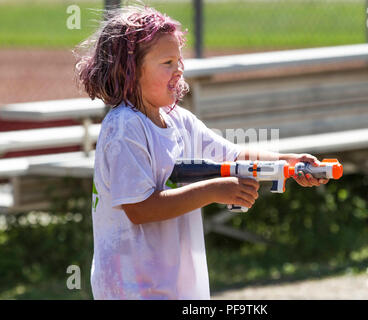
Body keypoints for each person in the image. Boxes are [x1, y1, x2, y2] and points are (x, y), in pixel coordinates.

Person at [75, 5, 328, 300]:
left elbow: (232, 156)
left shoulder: (178, 119)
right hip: (131, 288)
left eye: (179, 60)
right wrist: (213, 190)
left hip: (172, 285)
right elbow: (140, 209)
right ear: (130, 70)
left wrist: (290, 163)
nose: (179, 68)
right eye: (167, 62)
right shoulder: (124, 127)